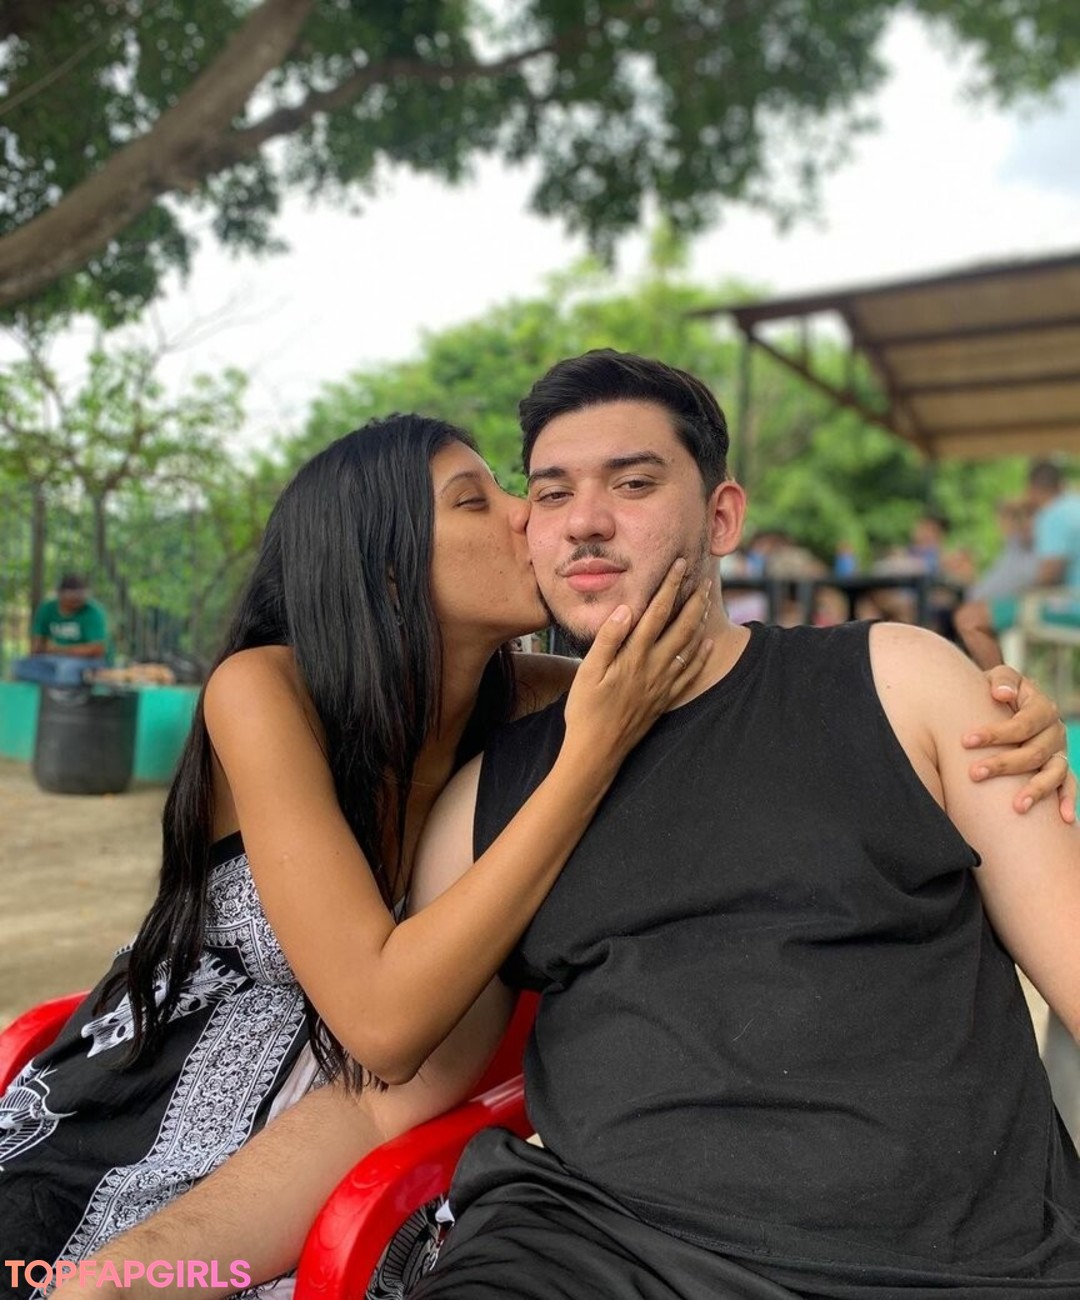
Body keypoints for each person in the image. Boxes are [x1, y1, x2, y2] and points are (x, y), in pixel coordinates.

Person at [48, 354, 1080, 1300]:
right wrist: (133, 1274)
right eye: (545, 493)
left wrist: (991, 703)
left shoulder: (894, 683)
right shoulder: (461, 772)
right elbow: (381, 1086)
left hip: (957, 1261)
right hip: (530, 1232)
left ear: (722, 516)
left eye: (633, 484)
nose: (572, 521)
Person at [0, 412, 711, 1295]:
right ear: (386, 567)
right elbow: (381, 1020)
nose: (529, 512)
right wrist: (589, 756)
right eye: (474, 501)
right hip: (128, 1122)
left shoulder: (549, 704)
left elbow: (707, 682)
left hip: (344, 1149)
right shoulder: (268, 690)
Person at [958, 461, 1080, 671]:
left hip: (1069, 606)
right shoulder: (1074, 506)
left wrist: (1015, 592)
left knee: (969, 618)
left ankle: (1003, 687)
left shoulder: (1053, 514)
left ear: (1031, 490)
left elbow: (1050, 573)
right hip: (1066, 601)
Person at [13, 574, 109, 685]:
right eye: (72, 598)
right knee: (19, 665)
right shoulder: (47, 609)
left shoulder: (93, 612)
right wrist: (38, 651)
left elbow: (97, 650)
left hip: (88, 661)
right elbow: (38, 643)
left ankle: (66, 688)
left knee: (66, 670)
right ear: (60, 595)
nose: (76, 602)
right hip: (54, 659)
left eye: (80, 598)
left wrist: (59, 650)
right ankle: (56, 683)